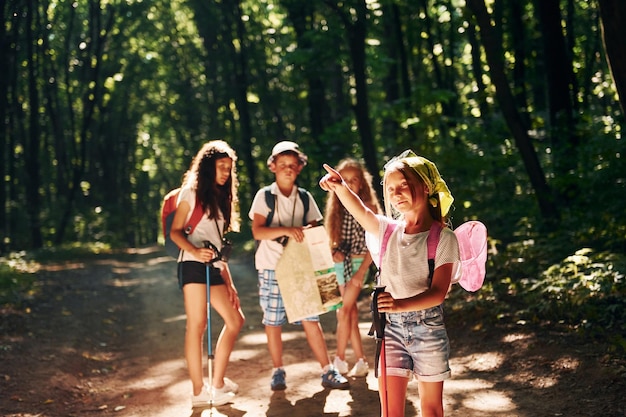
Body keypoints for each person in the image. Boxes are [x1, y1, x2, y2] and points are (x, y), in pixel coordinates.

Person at [319, 149, 460, 417]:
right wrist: (340, 187)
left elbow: (438, 293)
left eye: (404, 186)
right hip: (391, 331)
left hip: (427, 330)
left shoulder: (443, 238)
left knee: (431, 409)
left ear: (426, 186)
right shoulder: (387, 231)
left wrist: (398, 304)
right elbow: (361, 211)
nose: (396, 194)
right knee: (390, 411)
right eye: (391, 188)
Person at [249, 140, 350, 391]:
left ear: (299, 167)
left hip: (301, 268)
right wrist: (289, 230)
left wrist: (326, 250)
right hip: (271, 265)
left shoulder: (304, 198)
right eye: (282, 164)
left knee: (310, 317)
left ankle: (327, 370)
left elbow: (316, 231)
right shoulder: (265, 196)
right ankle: (277, 371)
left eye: (292, 164)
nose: (287, 168)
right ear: (273, 166)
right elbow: (258, 231)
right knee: (273, 320)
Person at [170, 140, 245, 407]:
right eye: (221, 167)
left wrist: (230, 283)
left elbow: (219, 246)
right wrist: (193, 250)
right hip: (190, 264)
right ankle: (198, 392)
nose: (225, 172)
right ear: (208, 166)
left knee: (235, 320)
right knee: (197, 325)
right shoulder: (190, 194)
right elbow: (175, 232)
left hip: (214, 267)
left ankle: (218, 383)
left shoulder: (222, 198)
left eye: (229, 168)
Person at [323, 158, 382, 378]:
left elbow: (374, 245)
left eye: (353, 180)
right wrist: (334, 251)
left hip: (359, 263)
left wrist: (361, 271)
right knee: (351, 312)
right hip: (340, 263)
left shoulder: (370, 208)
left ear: (362, 184)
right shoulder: (336, 208)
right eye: (343, 180)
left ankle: (338, 358)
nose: (348, 184)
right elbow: (333, 240)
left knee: (344, 309)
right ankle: (360, 360)